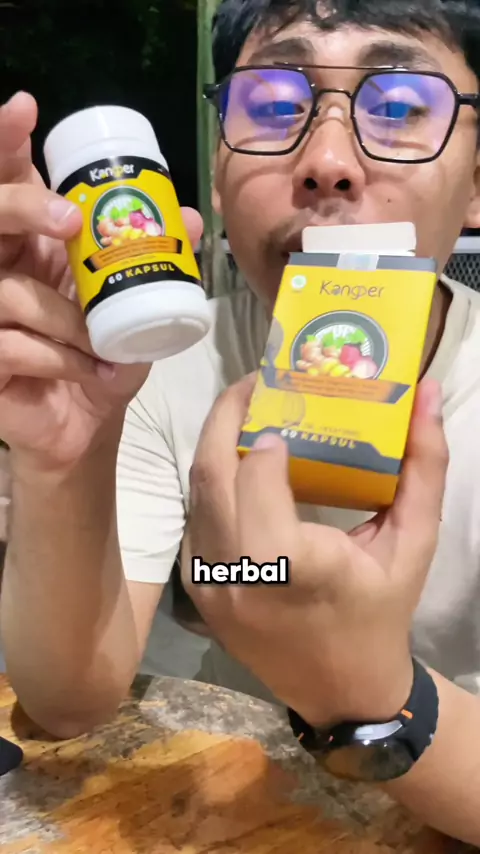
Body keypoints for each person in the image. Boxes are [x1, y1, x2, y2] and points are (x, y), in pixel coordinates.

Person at [1, 0, 480, 841]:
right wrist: (62, 460)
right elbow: (68, 700)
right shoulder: (154, 367)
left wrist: (367, 694)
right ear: (218, 177)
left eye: (403, 106)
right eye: (273, 105)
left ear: (476, 183)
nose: (327, 162)